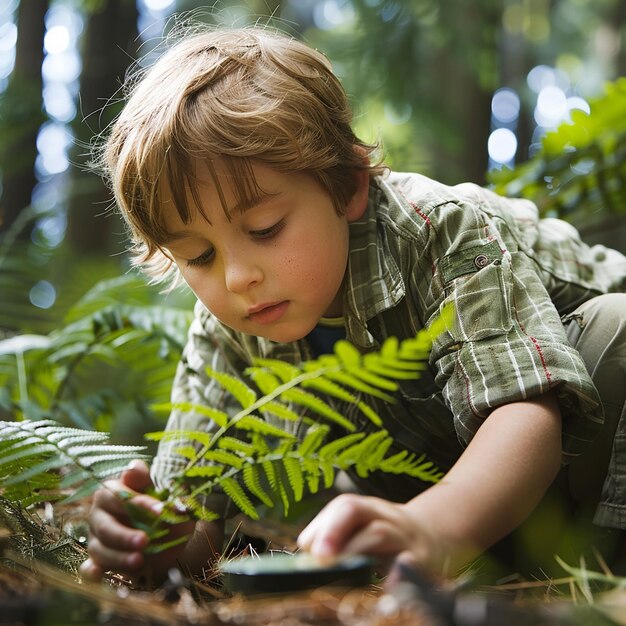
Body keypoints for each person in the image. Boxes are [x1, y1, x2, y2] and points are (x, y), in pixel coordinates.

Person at [79, 25, 626, 584]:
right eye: (198, 257)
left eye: (265, 229)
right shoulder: (225, 333)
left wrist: (429, 530)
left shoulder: (437, 231)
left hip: (585, 459)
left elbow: (525, 412)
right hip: (481, 510)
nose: (239, 277)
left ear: (349, 188)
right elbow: (199, 517)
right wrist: (155, 539)